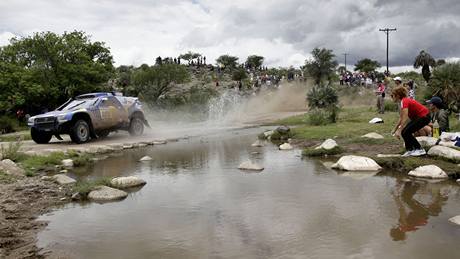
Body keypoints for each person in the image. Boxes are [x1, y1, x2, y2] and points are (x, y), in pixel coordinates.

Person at [391, 86, 430, 157]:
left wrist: (399, 130)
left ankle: (419, 149)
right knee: (404, 132)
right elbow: (401, 117)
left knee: (406, 132)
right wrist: (395, 129)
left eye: (392, 95)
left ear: (398, 96)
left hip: (424, 116)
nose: (392, 97)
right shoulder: (402, 101)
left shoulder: (404, 101)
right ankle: (410, 150)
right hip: (421, 117)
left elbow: (405, 117)